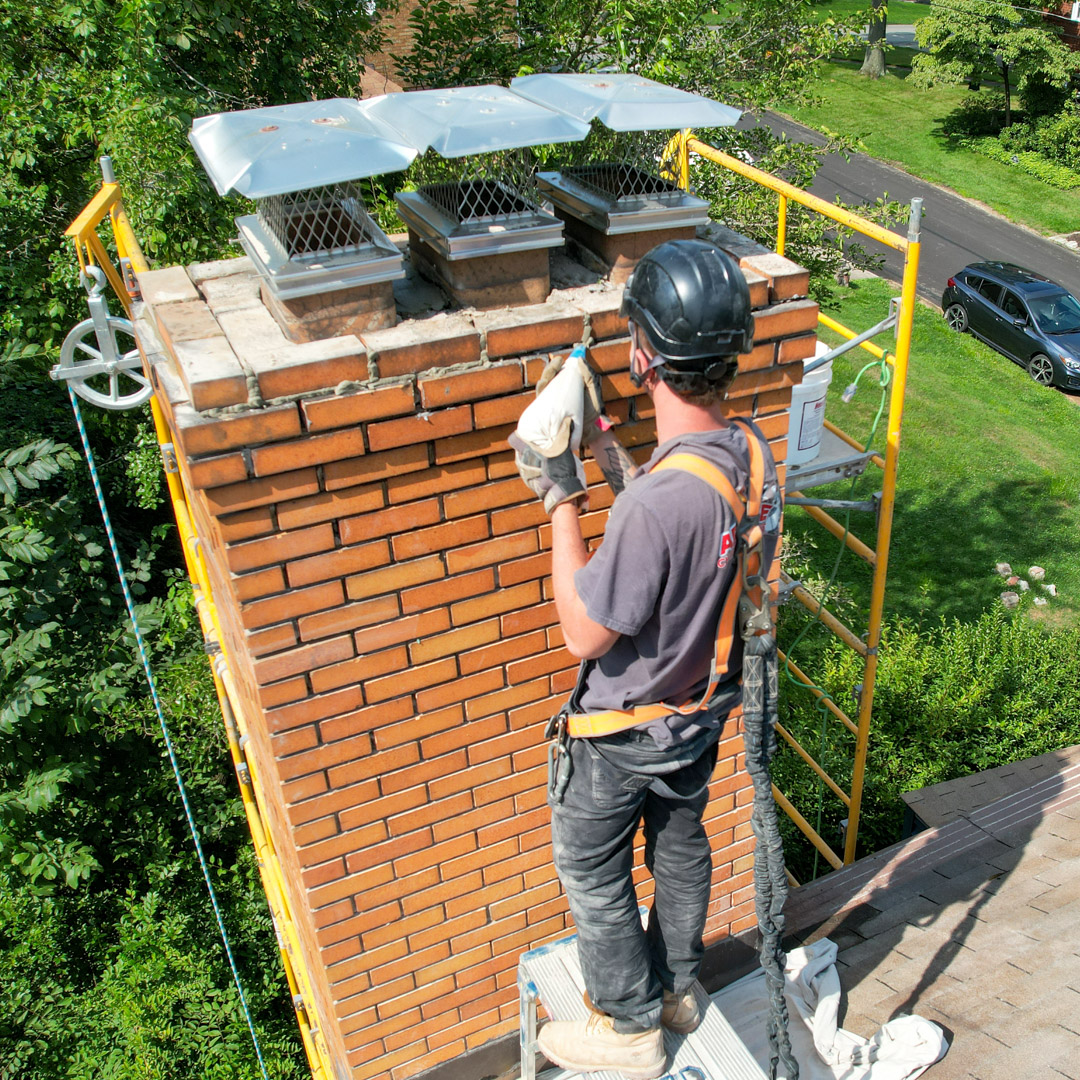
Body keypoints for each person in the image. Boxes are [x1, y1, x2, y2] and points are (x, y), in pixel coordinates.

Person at [511, 238, 782, 1080]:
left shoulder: (656, 510)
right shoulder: (748, 454)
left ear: (641, 358)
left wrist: (562, 492)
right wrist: (603, 446)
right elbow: (673, 513)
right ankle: (676, 989)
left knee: (592, 865)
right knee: (678, 841)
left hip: (623, 732)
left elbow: (584, 634)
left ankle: (628, 1028)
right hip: (699, 715)